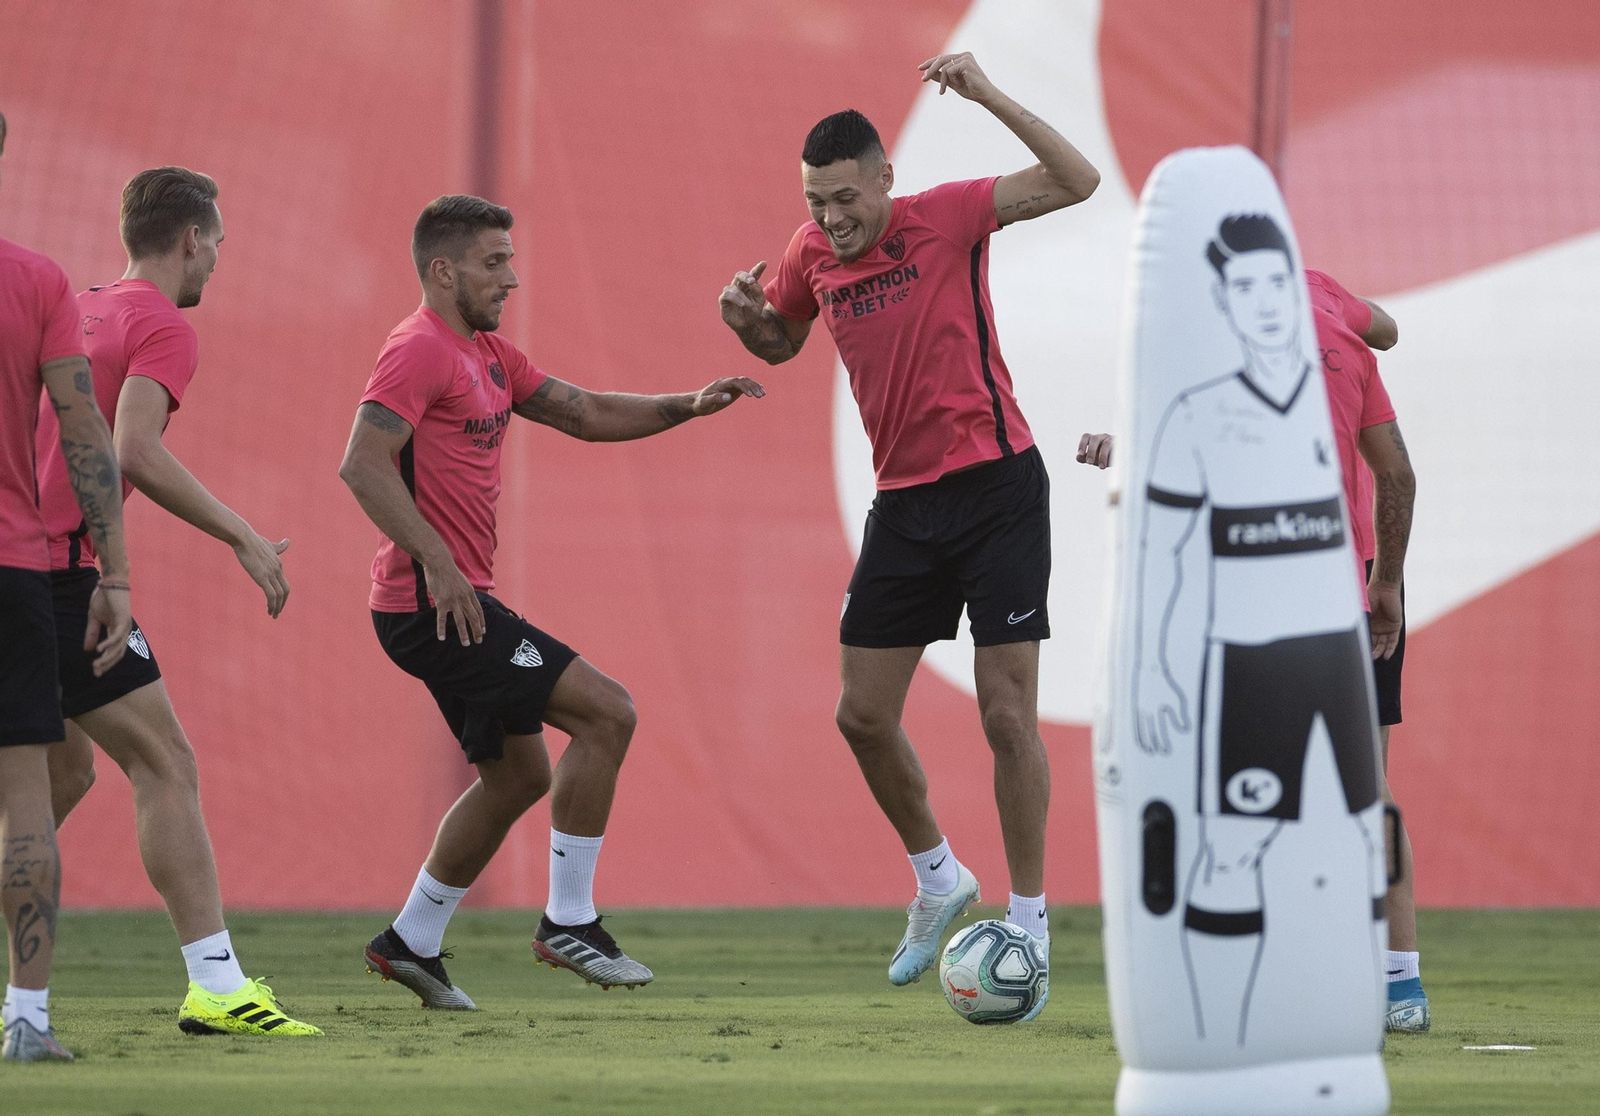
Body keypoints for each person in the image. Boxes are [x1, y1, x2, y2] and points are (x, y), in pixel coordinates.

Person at [718, 52, 1100, 1014]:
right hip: (907, 507)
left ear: (885, 179)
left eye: (846, 197)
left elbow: (1078, 181)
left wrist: (987, 96)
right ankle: (939, 878)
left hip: (998, 488)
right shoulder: (810, 251)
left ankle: (1031, 922)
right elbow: (783, 335)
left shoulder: (952, 213)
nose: (832, 218)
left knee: (1006, 716)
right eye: (816, 201)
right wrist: (746, 325)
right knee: (860, 715)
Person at [341, 194, 763, 1009]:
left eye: (511, 260)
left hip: (449, 602)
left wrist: (685, 405)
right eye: (495, 263)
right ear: (443, 269)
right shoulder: (416, 349)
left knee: (517, 778)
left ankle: (411, 941)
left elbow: (585, 411)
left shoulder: (490, 354)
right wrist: (437, 560)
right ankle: (569, 921)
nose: (513, 277)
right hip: (432, 606)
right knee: (609, 713)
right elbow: (361, 462)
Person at [1077, 266, 1423, 1032]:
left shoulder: (1202, 338)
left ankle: (1244, 994)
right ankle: (1401, 988)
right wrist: (1388, 585)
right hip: (1353, 582)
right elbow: (1395, 457)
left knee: (1246, 798)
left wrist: (1121, 450)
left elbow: (1185, 459)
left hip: (1260, 595)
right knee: (1365, 789)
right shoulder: (1331, 307)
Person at [32, 166, 320, 1037]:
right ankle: (218, 984)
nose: (219, 262)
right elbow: (136, 452)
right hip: (58, 577)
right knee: (166, 762)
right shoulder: (158, 323)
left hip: (18, 563)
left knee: (68, 770)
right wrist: (238, 532)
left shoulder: (73, 307)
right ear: (191, 238)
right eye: (220, 243)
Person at [1133, 214, 1386, 1045]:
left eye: (1274, 282)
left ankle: (1369, 1004)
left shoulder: (1328, 351)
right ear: (1224, 301)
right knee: (1241, 844)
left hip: (1337, 630)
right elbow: (1166, 551)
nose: (1266, 302)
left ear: (1290, 282)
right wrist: (1156, 671)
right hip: (1250, 651)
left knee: (1356, 828)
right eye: (1244, 288)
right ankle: (1224, 1036)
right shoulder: (1200, 403)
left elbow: (1398, 460)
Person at [1, 110, 134, 1063]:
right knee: (29, 801)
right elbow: (83, 430)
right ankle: (26, 1021)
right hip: (14, 568)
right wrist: (113, 572)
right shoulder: (37, 280)